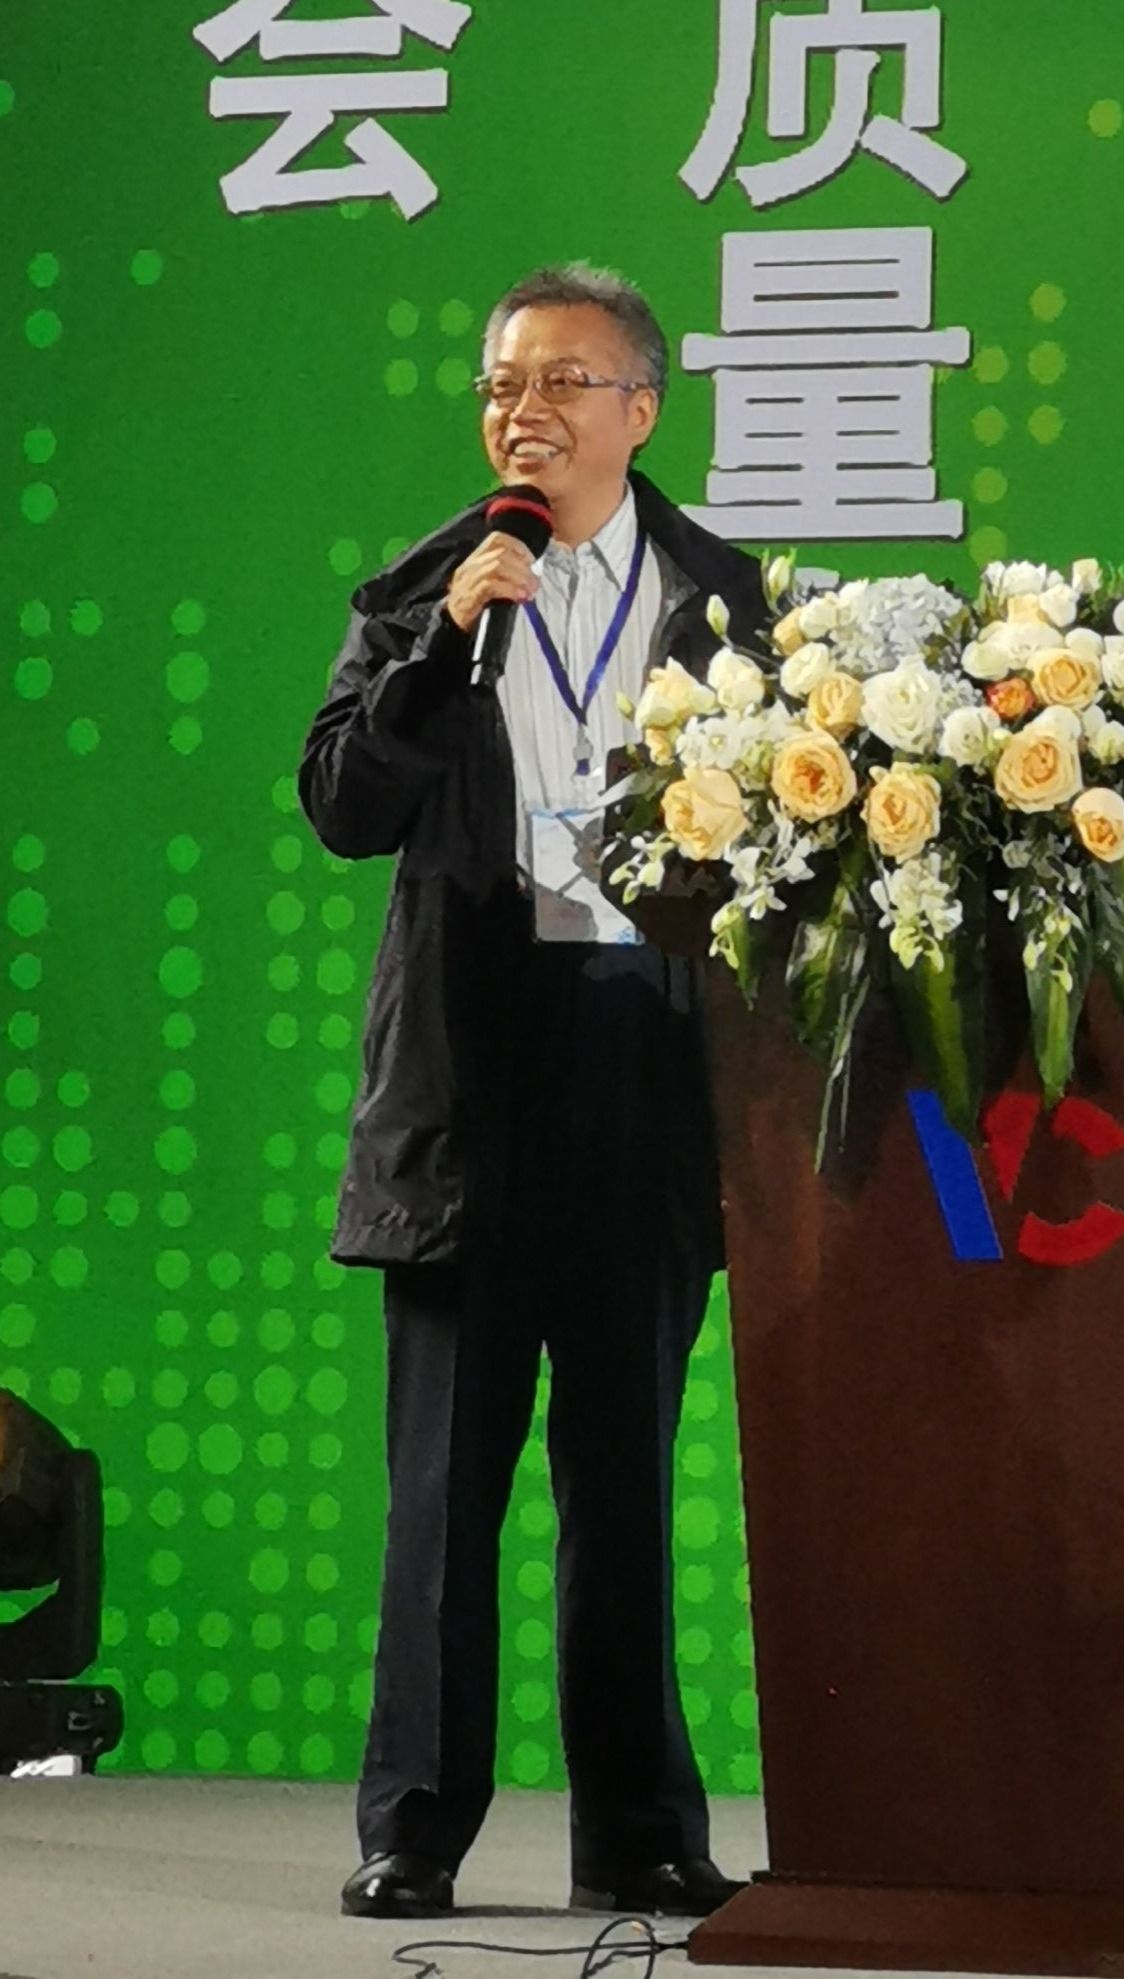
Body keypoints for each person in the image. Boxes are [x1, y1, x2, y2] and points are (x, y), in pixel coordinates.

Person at [299, 264, 765, 1922]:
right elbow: (344, 807)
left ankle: (637, 1828)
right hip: (468, 1072)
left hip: (644, 1060)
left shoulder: (730, 603)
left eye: (564, 382)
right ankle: (412, 1829)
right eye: (504, 383)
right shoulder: (420, 595)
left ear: (641, 409)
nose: (525, 412)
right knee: (444, 1491)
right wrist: (441, 651)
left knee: (622, 1483)